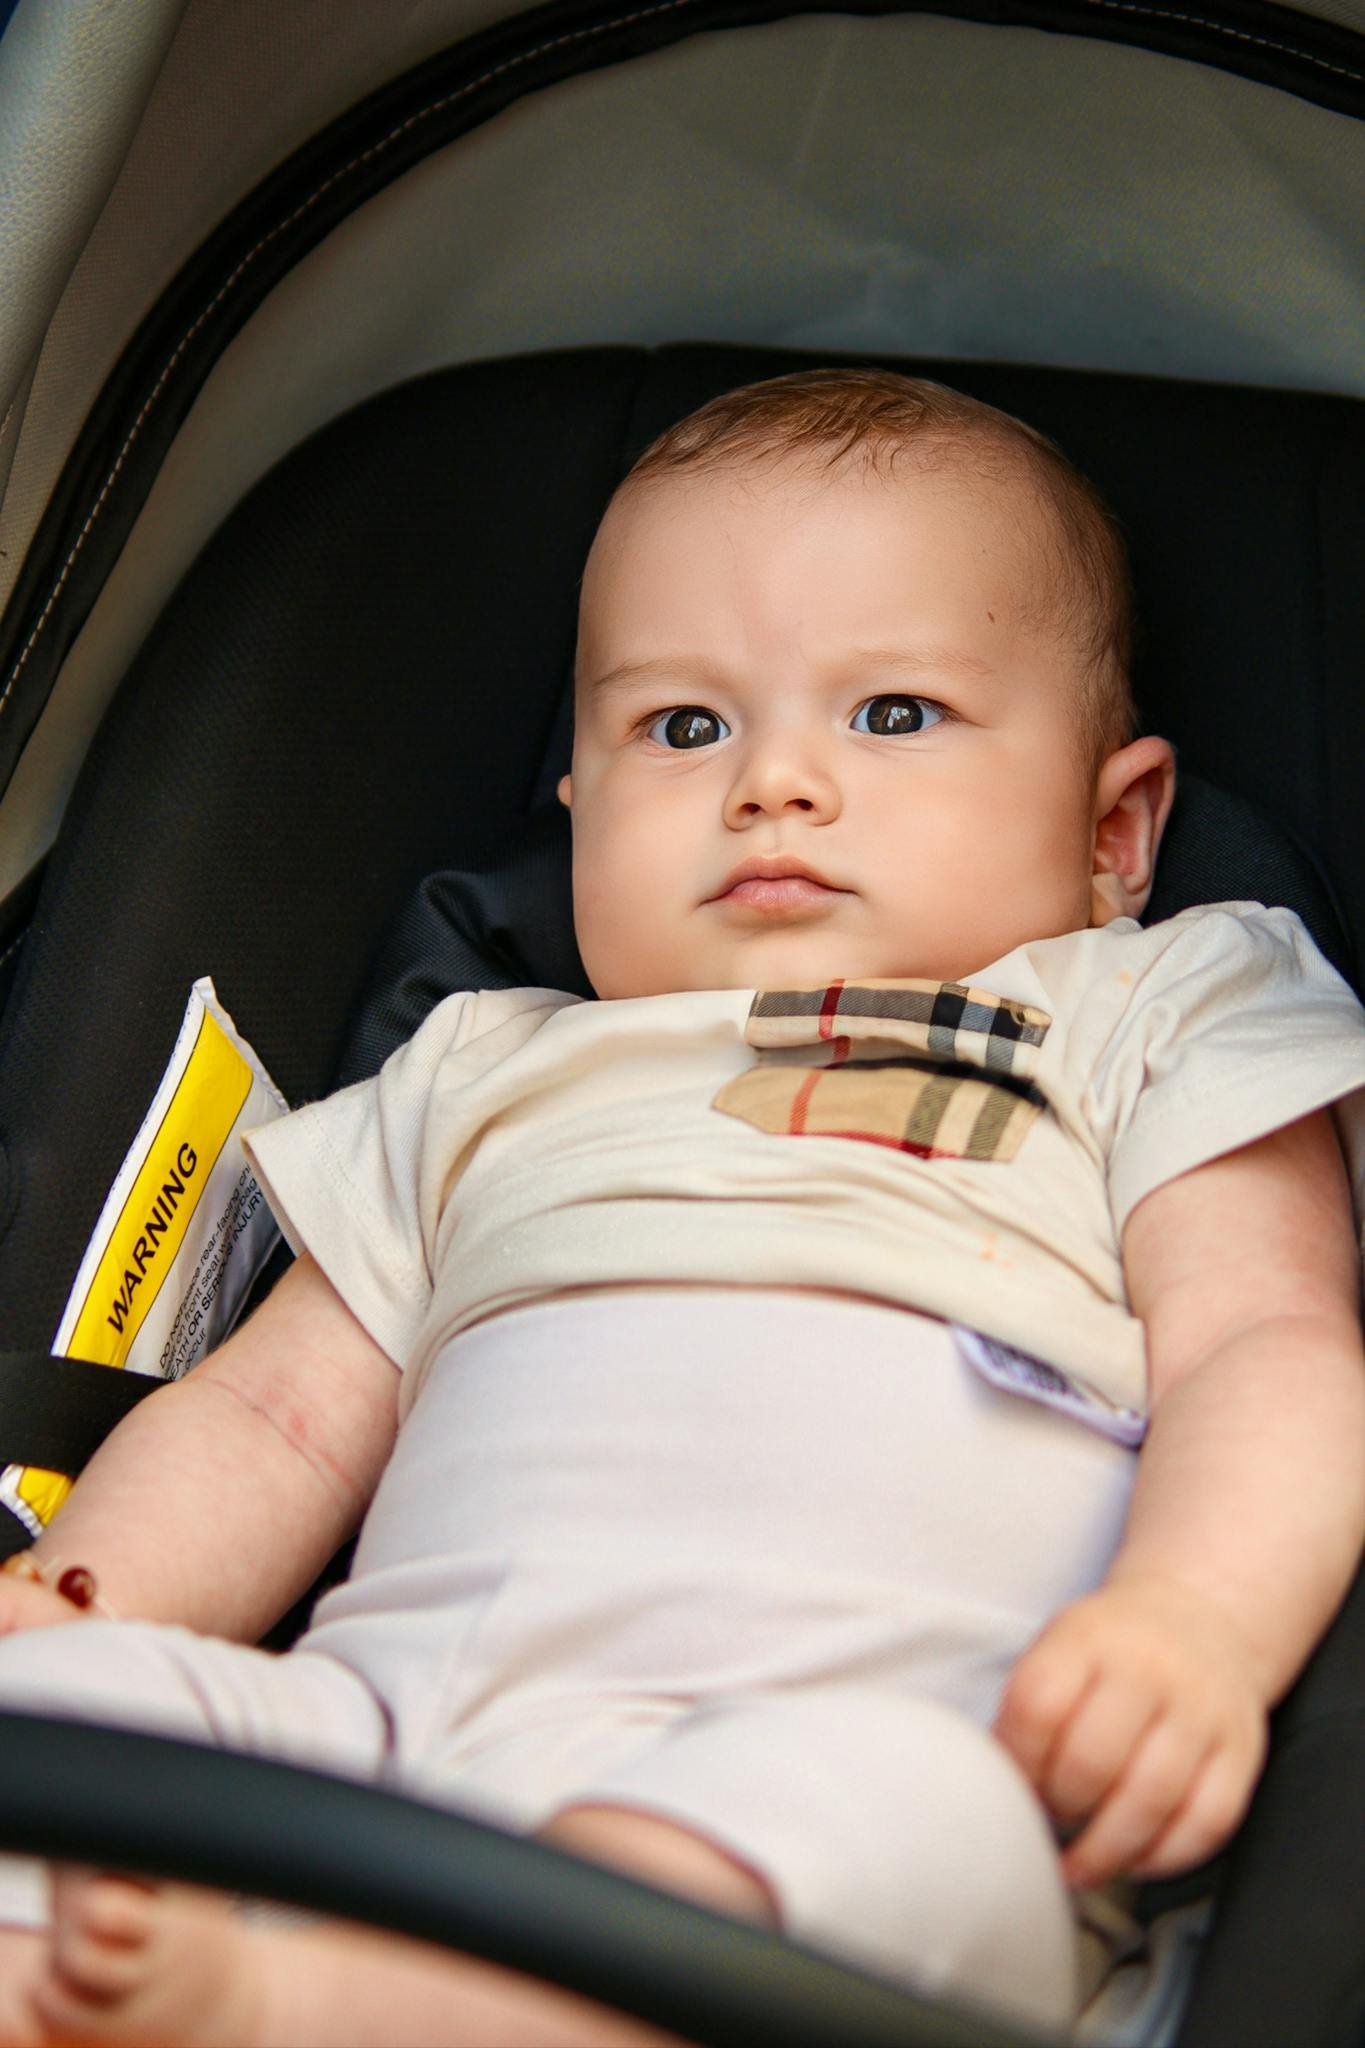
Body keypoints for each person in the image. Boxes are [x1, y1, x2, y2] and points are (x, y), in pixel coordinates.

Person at [0, 366, 1362, 2048]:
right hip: (383, 1748)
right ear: (574, 813)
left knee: (892, 1817)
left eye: (890, 714)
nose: (771, 783)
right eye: (682, 726)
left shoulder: (1147, 1013)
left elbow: (1270, 1344)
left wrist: (1194, 1624)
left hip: (879, 1756)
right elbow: (277, 1420)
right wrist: (84, 1592)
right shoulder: (477, 1071)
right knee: (56, 1717)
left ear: (1114, 831)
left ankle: (311, 2004)